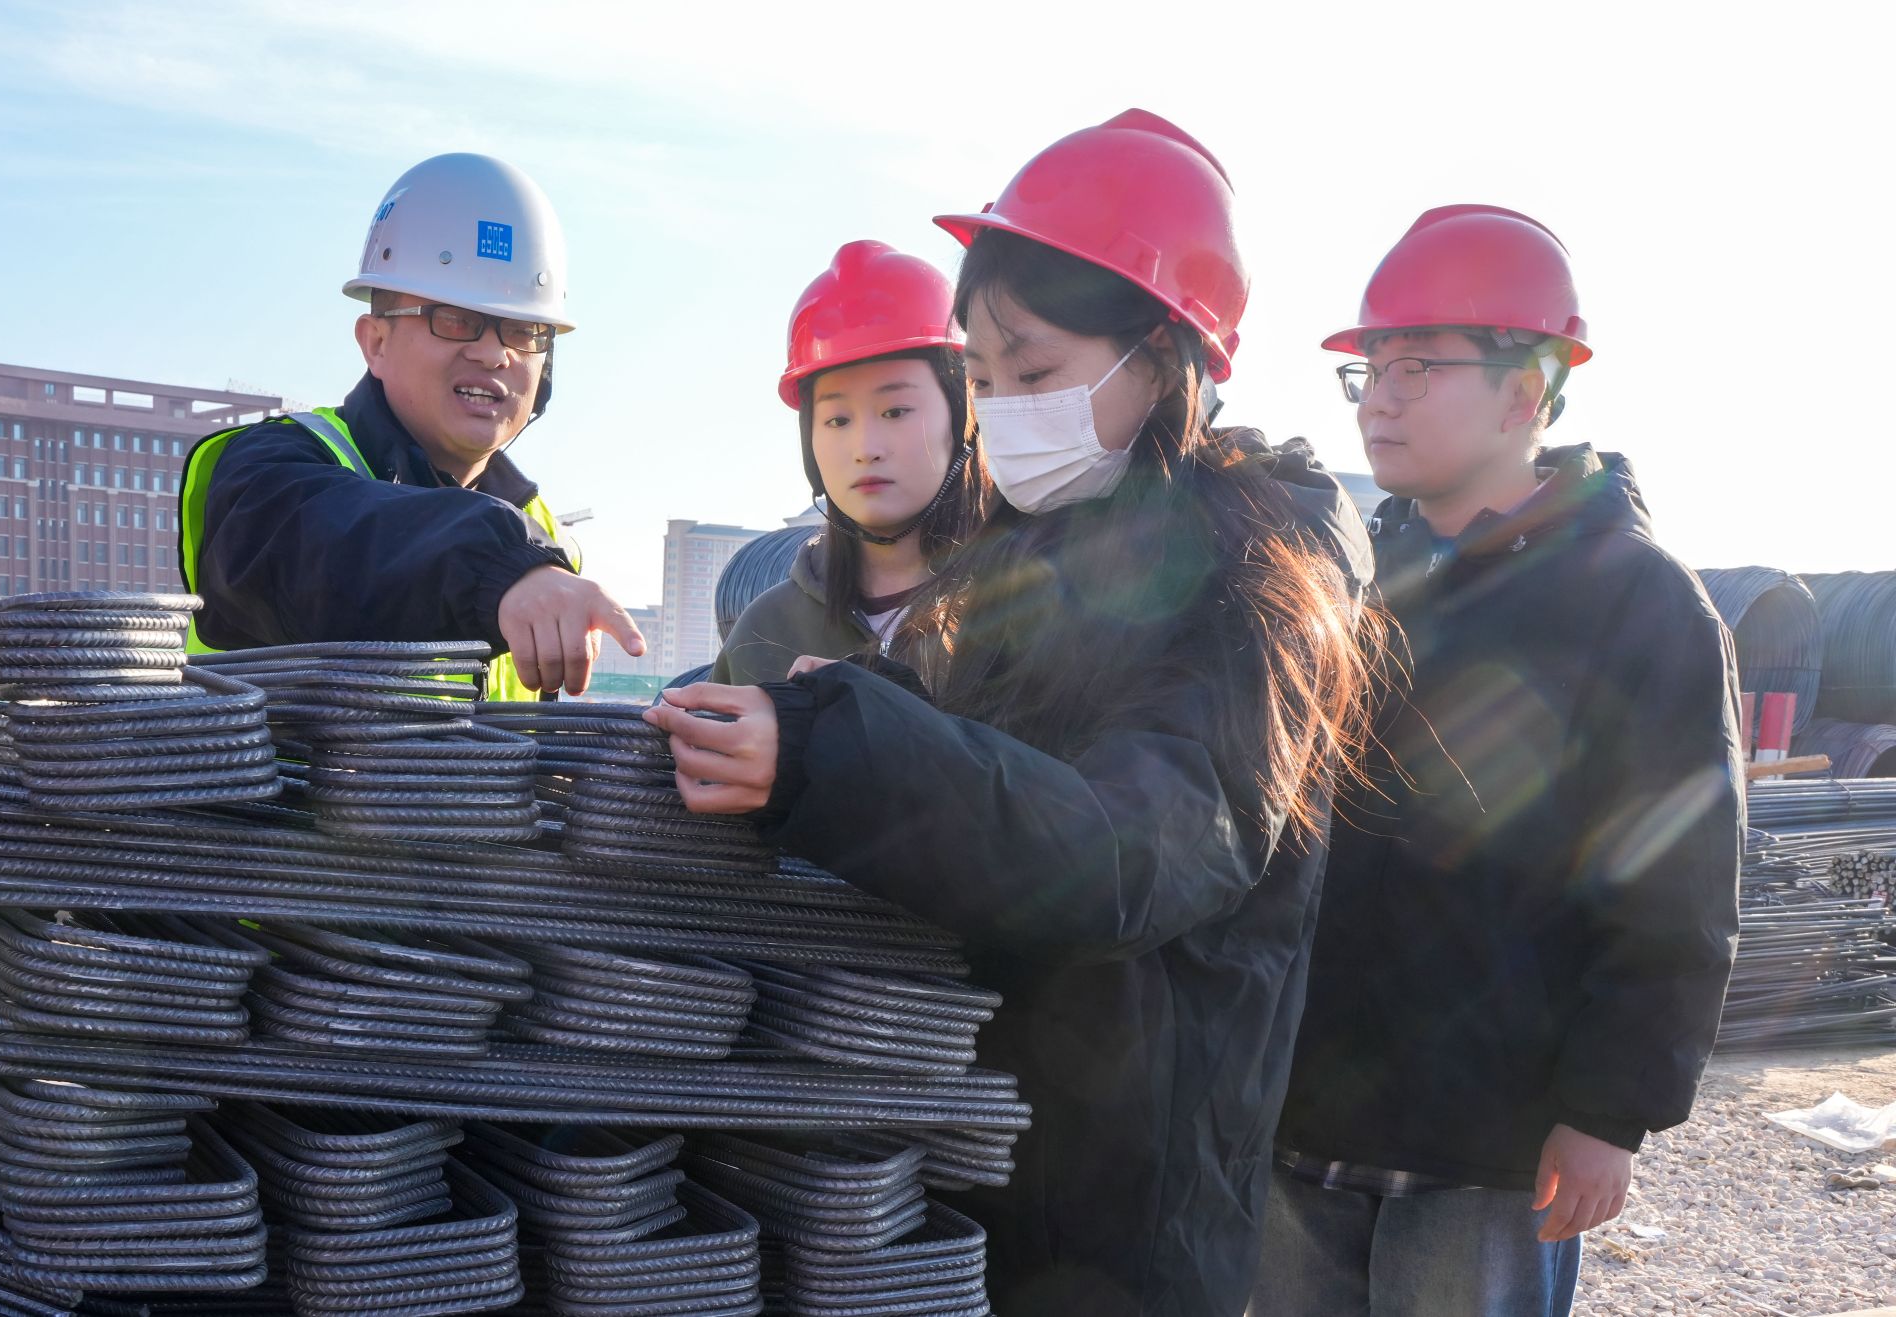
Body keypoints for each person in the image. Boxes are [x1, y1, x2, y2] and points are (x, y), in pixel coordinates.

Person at [644, 109, 1388, 1316]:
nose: (1002, 411)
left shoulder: (1257, 574)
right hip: (988, 1154)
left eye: (1033, 373)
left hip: (1126, 1207)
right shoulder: (1032, 562)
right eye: (983, 380)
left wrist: (835, 749)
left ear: (1163, 354)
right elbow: (991, 781)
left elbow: (1127, 853)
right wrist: (833, 716)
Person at [1254, 206, 1742, 1317]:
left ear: (1524, 394)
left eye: (1417, 367)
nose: (1378, 398)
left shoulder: (1634, 598)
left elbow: (1675, 879)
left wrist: (1608, 1110)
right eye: (1369, 369)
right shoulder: (1355, 581)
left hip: (1487, 1137)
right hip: (1306, 1109)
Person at [179, 152, 644, 698]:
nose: (494, 354)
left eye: (523, 331)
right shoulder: (267, 477)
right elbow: (332, 548)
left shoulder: (546, 541)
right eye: (456, 320)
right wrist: (502, 568)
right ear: (375, 342)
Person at [712, 240, 986, 686]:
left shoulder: (1028, 607)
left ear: (962, 419)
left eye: (895, 411)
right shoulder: (767, 630)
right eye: (837, 420)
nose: (865, 448)